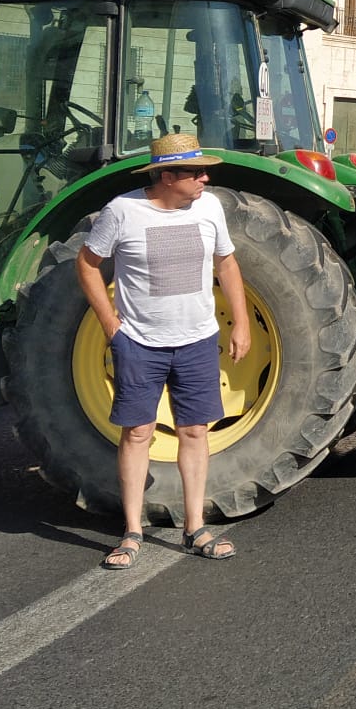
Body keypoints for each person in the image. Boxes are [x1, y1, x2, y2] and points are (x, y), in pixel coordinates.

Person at [80, 133, 250, 569]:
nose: (205, 179)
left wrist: (242, 322)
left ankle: (195, 527)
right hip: (139, 343)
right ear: (167, 175)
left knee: (196, 432)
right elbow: (87, 262)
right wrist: (110, 324)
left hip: (196, 341)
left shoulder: (210, 207)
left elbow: (226, 261)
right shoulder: (123, 211)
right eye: (195, 172)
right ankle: (132, 532)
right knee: (137, 433)